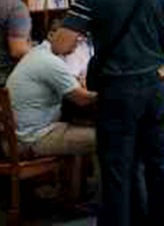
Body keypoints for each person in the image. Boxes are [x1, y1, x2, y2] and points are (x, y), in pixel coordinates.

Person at [52, 0, 164, 226]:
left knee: (117, 170)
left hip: (116, 93)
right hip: (156, 89)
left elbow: (61, 44)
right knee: (160, 164)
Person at [6, 19, 97, 158]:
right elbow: (82, 99)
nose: (77, 42)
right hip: (31, 140)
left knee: (94, 127)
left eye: (79, 38)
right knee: (108, 136)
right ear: (52, 35)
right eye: (73, 37)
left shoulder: (39, 53)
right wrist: (111, 93)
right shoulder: (49, 61)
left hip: (22, 135)